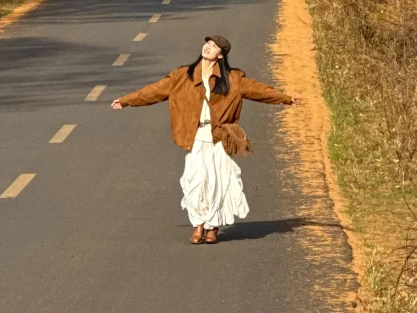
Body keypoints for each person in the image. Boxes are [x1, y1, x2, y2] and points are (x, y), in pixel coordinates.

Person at [111, 35, 294, 244]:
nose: (208, 47)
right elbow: (154, 91)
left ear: (221, 55)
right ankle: (198, 224)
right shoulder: (182, 76)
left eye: (215, 46)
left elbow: (260, 90)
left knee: (218, 182)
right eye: (208, 43)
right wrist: (127, 101)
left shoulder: (233, 78)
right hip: (195, 138)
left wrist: (286, 98)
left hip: (218, 138)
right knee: (197, 182)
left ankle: (212, 227)